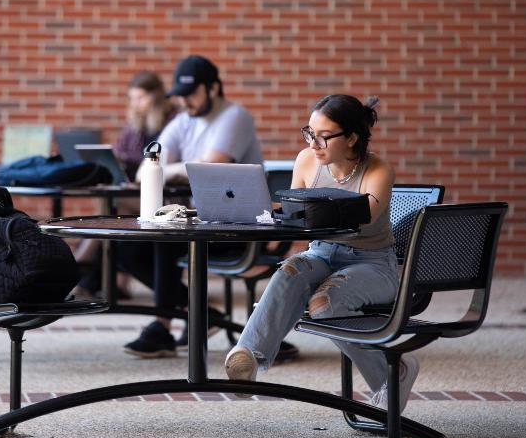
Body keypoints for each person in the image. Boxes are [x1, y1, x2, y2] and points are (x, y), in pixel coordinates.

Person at [225, 95, 419, 413]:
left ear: (352, 137)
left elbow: (359, 218)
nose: (314, 144)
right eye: (309, 133)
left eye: (323, 136)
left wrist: (306, 212)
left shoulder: (378, 171)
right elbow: (297, 217)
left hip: (372, 263)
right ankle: (249, 356)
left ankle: (395, 370)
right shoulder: (306, 161)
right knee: (288, 272)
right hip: (321, 253)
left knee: (324, 304)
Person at [118, 55, 266, 358]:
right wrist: (174, 167)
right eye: (180, 95)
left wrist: (169, 167)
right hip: (197, 221)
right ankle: (200, 312)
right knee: (126, 248)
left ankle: (162, 325)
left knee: (164, 238)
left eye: (191, 93)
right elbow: (145, 168)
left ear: (213, 88)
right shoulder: (183, 120)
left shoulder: (235, 116)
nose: (185, 102)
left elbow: (212, 165)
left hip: (238, 226)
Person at [72, 71, 177, 298]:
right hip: (134, 191)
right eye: (132, 99)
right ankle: (96, 281)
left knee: (112, 207)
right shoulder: (135, 125)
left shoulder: (172, 123)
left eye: (141, 98)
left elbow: (164, 161)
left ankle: (82, 271)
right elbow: (121, 152)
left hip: (164, 198)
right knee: (112, 207)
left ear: (156, 96)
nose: (136, 104)